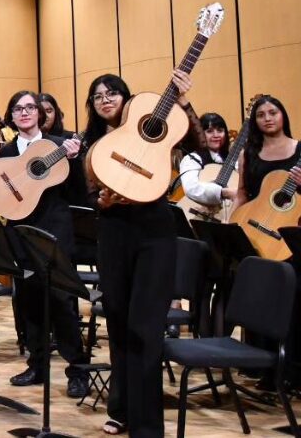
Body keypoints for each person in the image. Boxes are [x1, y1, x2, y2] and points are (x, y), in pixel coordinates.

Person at [83, 72, 189, 437]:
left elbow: (193, 141)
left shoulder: (157, 126)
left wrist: (184, 101)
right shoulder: (92, 142)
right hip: (114, 233)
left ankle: (147, 426)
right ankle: (122, 407)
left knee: (145, 328)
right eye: (98, 96)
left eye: (112, 92)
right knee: (117, 322)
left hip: (154, 233)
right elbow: (86, 195)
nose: (105, 99)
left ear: (128, 99)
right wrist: (100, 201)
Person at [0, 91, 90, 398]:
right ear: (11, 116)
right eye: (18, 108)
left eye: (30, 107)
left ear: (40, 113)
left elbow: (78, 194)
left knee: (62, 303)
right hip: (20, 233)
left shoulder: (58, 145)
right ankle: (37, 364)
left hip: (55, 232)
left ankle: (78, 369)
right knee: (28, 302)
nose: (25, 112)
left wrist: (74, 160)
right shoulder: (5, 153)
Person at [178, 112, 237, 221]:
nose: (216, 135)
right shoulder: (192, 159)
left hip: (229, 217)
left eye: (220, 130)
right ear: (200, 135)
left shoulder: (235, 160)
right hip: (201, 217)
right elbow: (191, 188)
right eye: (209, 131)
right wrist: (223, 192)